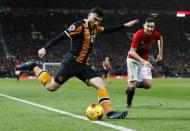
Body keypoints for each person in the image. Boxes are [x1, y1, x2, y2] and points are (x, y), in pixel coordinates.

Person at [16, 6, 138, 119]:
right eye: (95, 19)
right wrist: (45, 48)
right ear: (89, 15)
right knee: (51, 87)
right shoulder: (79, 25)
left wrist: (125, 25)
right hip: (71, 63)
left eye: (99, 21)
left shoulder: (95, 28)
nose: (96, 22)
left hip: (83, 65)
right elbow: (61, 36)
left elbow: (107, 30)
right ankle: (33, 66)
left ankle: (109, 113)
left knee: (100, 84)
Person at [125, 17, 163, 108]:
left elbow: (160, 38)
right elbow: (132, 52)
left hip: (144, 60)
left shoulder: (155, 33)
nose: (150, 28)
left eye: (152, 27)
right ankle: (128, 103)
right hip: (133, 60)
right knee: (132, 86)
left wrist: (160, 53)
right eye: (148, 26)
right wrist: (145, 61)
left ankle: (131, 84)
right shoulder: (138, 35)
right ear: (144, 26)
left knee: (148, 85)